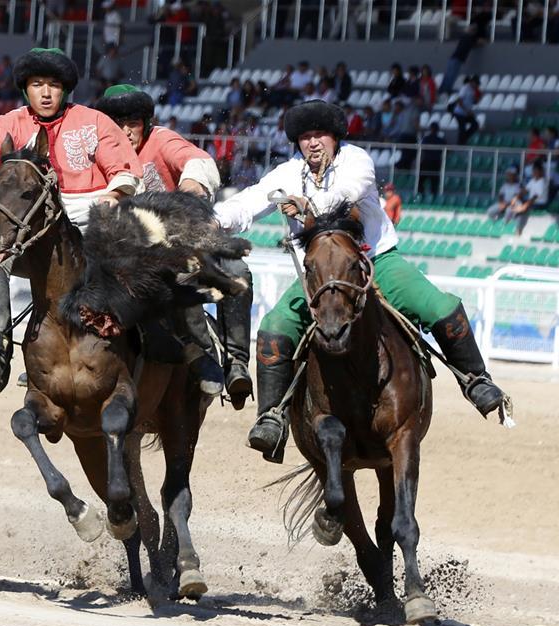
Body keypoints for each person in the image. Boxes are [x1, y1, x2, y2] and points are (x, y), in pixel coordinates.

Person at [213, 101, 506, 463]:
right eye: (305, 137)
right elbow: (250, 201)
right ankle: (272, 418)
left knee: (441, 306)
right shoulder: (286, 174)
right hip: (321, 273)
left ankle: (476, 379)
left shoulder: (357, 161)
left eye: (320, 135)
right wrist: (211, 221)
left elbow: (347, 193)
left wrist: (308, 206)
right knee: (273, 329)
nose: (313, 143)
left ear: (335, 138)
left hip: (377, 261)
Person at [0, 48, 142, 393]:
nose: (45, 92)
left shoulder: (93, 121)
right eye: (36, 84)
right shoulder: (12, 122)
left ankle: (163, 348)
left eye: (53, 85)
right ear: (25, 89)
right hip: (30, 229)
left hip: (88, 222)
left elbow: (123, 170)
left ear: (65, 90)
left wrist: (114, 195)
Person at [95, 84, 253, 403]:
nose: (125, 131)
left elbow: (196, 159)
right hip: (117, 253)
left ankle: (235, 362)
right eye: (117, 123)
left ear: (146, 124)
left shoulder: (162, 140)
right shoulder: (95, 152)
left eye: (133, 123)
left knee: (237, 270)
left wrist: (192, 186)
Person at [440, 24, 483, 95]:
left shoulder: (464, 37)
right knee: (451, 75)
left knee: (448, 75)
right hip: (457, 59)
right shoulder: (468, 38)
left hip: (454, 58)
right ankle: (446, 89)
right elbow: (475, 44)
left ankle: (442, 90)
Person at [451, 74, 480, 144]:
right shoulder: (465, 88)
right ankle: (460, 143)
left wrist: (476, 100)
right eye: (476, 83)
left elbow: (471, 101)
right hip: (459, 112)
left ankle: (463, 140)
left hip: (466, 113)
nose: (476, 85)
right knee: (462, 128)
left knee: (475, 124)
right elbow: (460, 101)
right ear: (472, 82)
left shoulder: (473, 90)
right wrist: (467, 111)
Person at [418, 121, 446, 194]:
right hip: (435, 163)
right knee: (434, 182)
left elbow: (423, 148)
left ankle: (421, 195)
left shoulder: (426, 139)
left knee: (421, 181)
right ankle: (433, 196)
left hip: (426, 162)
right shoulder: (441, 140)